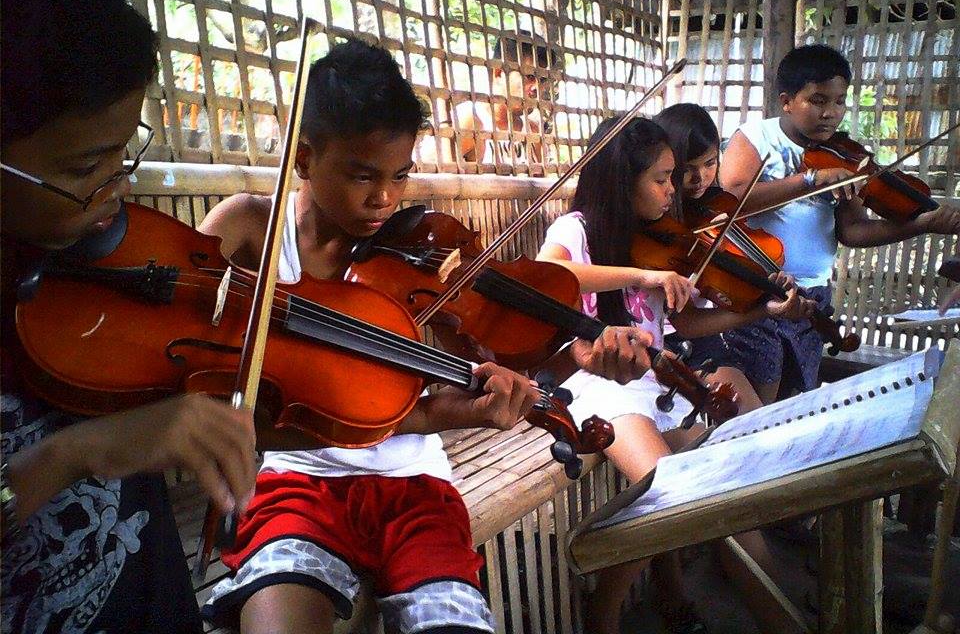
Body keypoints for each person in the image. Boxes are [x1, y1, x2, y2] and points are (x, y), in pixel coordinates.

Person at [198, 39, 653, 634]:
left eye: (399, 175)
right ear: (304, 159)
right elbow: (185, 318)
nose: (385, 198)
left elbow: (491, 359)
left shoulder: (418, 255)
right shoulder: (250, 228)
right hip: (299, 480)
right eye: (363, 176)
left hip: (415, 486)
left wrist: (578, 356)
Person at [0, 0, 258, 632]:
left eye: (123, 159)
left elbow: (197, 410)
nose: (115, 193)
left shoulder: (88, 267)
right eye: (86, 169)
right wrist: (75, 454)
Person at [536, 116, 812, 633]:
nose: (672, 191)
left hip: (658, 379)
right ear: (623, 181)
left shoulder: (654, 237)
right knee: (673, 492)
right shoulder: (576, 229)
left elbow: (687, 321)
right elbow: (552, 274)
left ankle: (783, 617)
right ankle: (604, 615)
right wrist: (644, 275)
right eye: (661, 179)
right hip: (595, 385)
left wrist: (760, 312)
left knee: (715, 486)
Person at [720, 43, 960, 403]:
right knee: (758, 401)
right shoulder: (756, 138)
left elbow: (854, 231)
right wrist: (810, 180)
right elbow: (731, 199)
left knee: (798, 399)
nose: (830, 113)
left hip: (813, 297)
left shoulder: (846, 157)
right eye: (817, 101)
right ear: (787, 101)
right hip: (759, 290)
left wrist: (921, 223)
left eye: (839, 101)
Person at [653, 103, 767, 405]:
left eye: (709, 163)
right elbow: (685, 322)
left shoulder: (717, 208)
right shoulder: (655, 222)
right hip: (665, 341)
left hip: (702, 340)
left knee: (753, 413)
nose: (700, 178)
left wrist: (766, 283)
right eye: (685, 169)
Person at [453, 31, 563, 165]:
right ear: (499, 73)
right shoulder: (471, 121)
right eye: (529, 77)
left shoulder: (533, 131)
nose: (537, 87)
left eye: (542, 79)